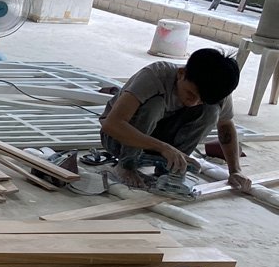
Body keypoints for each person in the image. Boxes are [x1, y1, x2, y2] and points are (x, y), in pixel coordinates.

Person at [99, 48, 252, 191]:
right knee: (155, 105)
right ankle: (126, 165)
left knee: (211, 111)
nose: (193, 102)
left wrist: (235, 170)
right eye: (191, 94)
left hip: (161, 144)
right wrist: (163, 147)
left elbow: (225, 126)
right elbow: (111, 125)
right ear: (181, 73)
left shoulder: (216, 90)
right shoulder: (155, 75)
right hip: (118, 140)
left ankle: (171, 168)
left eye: (201, 100)